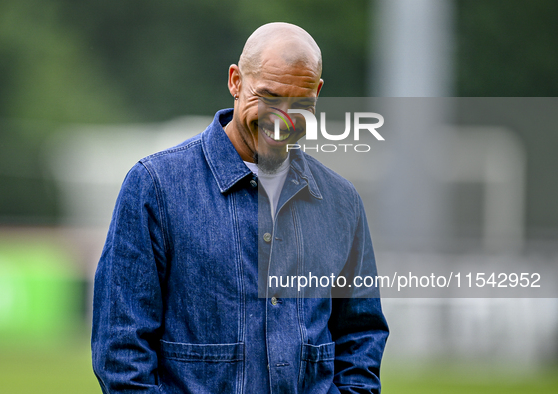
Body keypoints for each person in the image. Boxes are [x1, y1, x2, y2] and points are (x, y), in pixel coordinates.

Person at [92, 22, 388, 393]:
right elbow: (121, 351)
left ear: (318, 93)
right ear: (235, 81)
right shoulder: (155, 186)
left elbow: (361, 339)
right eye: (269, 97)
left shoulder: (342, 203)